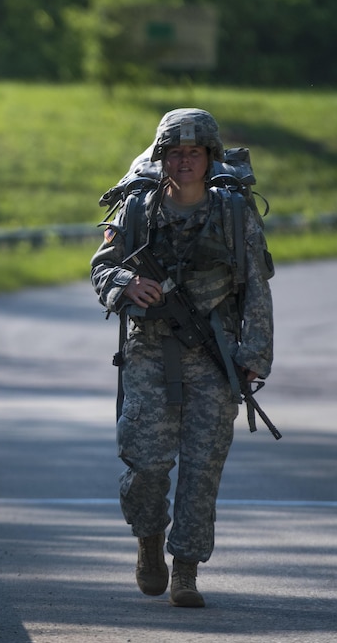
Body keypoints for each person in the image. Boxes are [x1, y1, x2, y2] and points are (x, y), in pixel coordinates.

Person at [90, 108, 275, 607]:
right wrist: (128, 283)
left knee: (202, 468)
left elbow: (257, 287)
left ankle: (186, 569)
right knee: (146, 464)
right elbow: (102, 268)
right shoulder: (136, 210)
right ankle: (149, 539)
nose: (184, 160)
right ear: (162, 157)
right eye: (175, 152)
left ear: (210, 157)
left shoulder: (234, 214)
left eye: (194, 152)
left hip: (216, 356)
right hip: (149, 353)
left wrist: (255, 354)